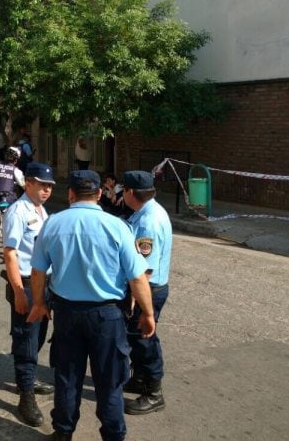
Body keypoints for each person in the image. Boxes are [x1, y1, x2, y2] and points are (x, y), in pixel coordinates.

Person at [27, 169, 155, 441]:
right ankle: (113, 436)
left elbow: (37, 272)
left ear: (70, 194)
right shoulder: (118, 226)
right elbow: (137, 279)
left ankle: (63, 433)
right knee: (109, 383)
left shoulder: (53, 224)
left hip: (67, 314)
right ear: (99, 194)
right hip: (107, 317)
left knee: (67, 378)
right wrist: (148, 313)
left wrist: (39, 303)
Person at [2, 162, 56, 427]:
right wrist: (19, 292)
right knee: (26, 339)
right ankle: (26, 396)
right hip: (25, 283)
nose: (46, 190)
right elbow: (10, 253)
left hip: (43, 283)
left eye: (49, 186)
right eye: (42, 184)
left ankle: (29, 378)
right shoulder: (17, 211)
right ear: (28, 184)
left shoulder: (41, 210)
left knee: (38, 336)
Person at [122, 170, 173, 416]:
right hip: (149, 288)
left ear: (131, 192)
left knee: (144, 339)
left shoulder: (147, 221)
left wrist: (136, 300)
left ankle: (154, 393)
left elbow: (145, 269)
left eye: (123, 190)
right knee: (136, 337)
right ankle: (140, 378)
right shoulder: (148, 212)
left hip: (148, 290)